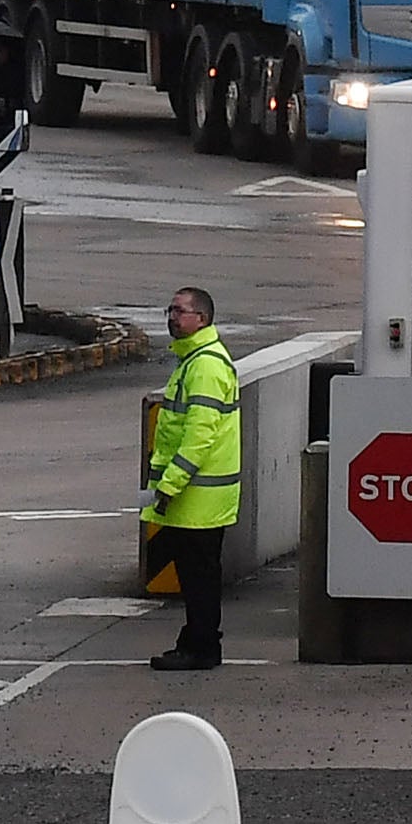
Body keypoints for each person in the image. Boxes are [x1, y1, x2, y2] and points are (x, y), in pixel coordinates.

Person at [144, 285, 241, 672]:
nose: (172, 317)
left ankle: (201, 647)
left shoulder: (204, 367)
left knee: (199, 579)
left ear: (202, 318)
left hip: (198, 499)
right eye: (169, 309)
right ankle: (197, 641)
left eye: (180, 311)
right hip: (196, 498)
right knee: (195, 575)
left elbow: (199, 436)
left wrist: (168, 486)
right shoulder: (193, 361)